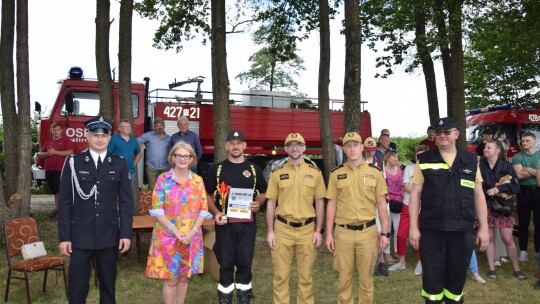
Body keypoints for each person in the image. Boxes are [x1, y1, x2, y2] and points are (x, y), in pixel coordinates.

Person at [409, 117, 489, 303]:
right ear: (434, 136)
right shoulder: (425, 159)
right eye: (438, 133)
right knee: (432, 283)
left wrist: (484, 228)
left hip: (462, 230)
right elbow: (415, 195)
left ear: (456, 134)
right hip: (432, 230)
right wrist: (414, 227)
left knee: (456, 283)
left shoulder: (470, 160)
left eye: (447, 132)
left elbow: (478, 195)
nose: (442, 136)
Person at [58, 115, 133, 304]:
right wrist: (65, 237)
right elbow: (65, 202)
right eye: (95, 135)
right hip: (80, 235)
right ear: (88, 136)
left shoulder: (119, 163)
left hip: (109, 234)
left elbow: (125, 202)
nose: (100, 139)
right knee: (77, 288)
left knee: (108, 287)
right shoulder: (73, 162)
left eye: (104, 135)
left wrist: (125, 234)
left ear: (110, 137)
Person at [325, 132, 390, 304]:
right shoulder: (335, 174)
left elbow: (382, 204)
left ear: (362, 147)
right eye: (348, 146)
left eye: (355, 145)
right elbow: (331, 204)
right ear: (344, 149)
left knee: (366, 279)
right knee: (344, 279)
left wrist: (384, 233)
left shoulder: (375, 173)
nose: (352, 149)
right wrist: (329, 233)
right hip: (343, 233)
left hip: (367, 233)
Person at [145, 141, 213, 304]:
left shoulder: (198, 181)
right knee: (171, 280)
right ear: (172, 158)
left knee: (183, 278)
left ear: (192, 159)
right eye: (179, 155)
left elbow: (203, 210)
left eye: (186, 156)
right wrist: (176, 232)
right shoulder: (163, 180)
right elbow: (157, 210)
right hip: (168, 238)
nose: (182, 159)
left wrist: (192, 232)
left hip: (191, 237)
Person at [204, 130, 267, 304]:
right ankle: (224, 299)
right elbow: (208, 195)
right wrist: (216, 213)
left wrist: (258, 203)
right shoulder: (217, 169)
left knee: (245, 263)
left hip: (247, 225)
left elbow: (264, 192)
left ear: (245, 146)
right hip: (225, 224)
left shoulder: (254, 169)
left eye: (239, 143)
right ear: (226, 146)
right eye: (232, 143)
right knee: (225, 264)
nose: (235, 146)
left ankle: (244, 298)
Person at [265, 133, 326, 304]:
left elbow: (320, 202)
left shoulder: (315, 173)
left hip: (307, 230)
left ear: (304, 148)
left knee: (306, 277)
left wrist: (318, 230)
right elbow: (271, 202)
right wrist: (270, 231)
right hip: (282, 229)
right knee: (280, 276)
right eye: (290, 145)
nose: (295, 148)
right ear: (285, 149)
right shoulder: (277, 173)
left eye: (298, 144)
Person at [480, 140, 525, 280]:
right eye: (485, 147)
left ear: (497, 150)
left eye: (489, 147)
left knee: (507, 239)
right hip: (486, 206)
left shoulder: (506, 167)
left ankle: (517, 268)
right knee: (490, 238)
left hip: (504, 207)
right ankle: (491, 269)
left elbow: (515, 187)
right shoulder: (480, 167)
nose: (485, 149)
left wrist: (498, 188)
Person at [390, 145, 428, 274]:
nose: (419, 156)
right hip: (408, 204)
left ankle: (421, 261)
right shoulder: (409, 169)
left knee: (423, 235)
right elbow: (406, 186)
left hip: (424, 207)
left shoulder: (428, 169)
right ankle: (401, 261)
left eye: (422, 154)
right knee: (401, 234)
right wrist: (417, 194)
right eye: (418, 154)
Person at [512, 132, 540, 262]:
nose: (524, 143)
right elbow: (519, 175)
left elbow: (526, 173)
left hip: (538, 191)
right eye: (522, 141)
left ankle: (537, 250)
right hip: (523, 191)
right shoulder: (517, 157)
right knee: (523, 222)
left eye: (527, 141)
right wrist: (536, 171)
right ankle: (523, 250)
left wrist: (527, 169)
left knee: (538, 223)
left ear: (534, 141)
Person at [37, 122, 74, 213]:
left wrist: (55, 152)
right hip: (49, 170)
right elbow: (40, 154)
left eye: (57, 130)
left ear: (61, 131)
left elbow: (70, 152)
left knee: (60, 191)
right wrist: (47, 154)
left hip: (61, 169)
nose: (55, 132)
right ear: (51, 131)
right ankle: (58, 210)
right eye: (54, 130)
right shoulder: (49, 141)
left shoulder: (66, 140)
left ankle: (62, 211)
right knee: (55, 191)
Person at [380, 149, 403, 266]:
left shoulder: (400, 169)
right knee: (387, 228)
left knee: (398, 229)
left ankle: (398, 252)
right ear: (387, 158)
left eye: (397, 156)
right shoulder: (383, 170)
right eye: (394, 156)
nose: (396, 159)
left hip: (399, 203)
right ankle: (387, 252)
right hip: (387, 202)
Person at [138, 117, 171, 190]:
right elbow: (136, 140)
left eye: (161, 125)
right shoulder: (148, 135)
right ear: (154, 127)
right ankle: (152, 202)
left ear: (164, 126)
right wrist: (140, 144)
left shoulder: (169, 138)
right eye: (157, 126)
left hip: (165, 168)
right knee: (153, 190)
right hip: (151, 168)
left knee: (164, 189)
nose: (159, 127)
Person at [108, 119, 142, 186]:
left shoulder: (134, 140)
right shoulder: (114, 139)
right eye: (125, 126)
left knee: (127, 193)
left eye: (129, 126)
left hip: (130, 171)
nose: (128, 128)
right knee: (115, 193)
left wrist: (134, 164)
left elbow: (139, 153)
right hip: (117, 172)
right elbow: (108, 154)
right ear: (119, 128)